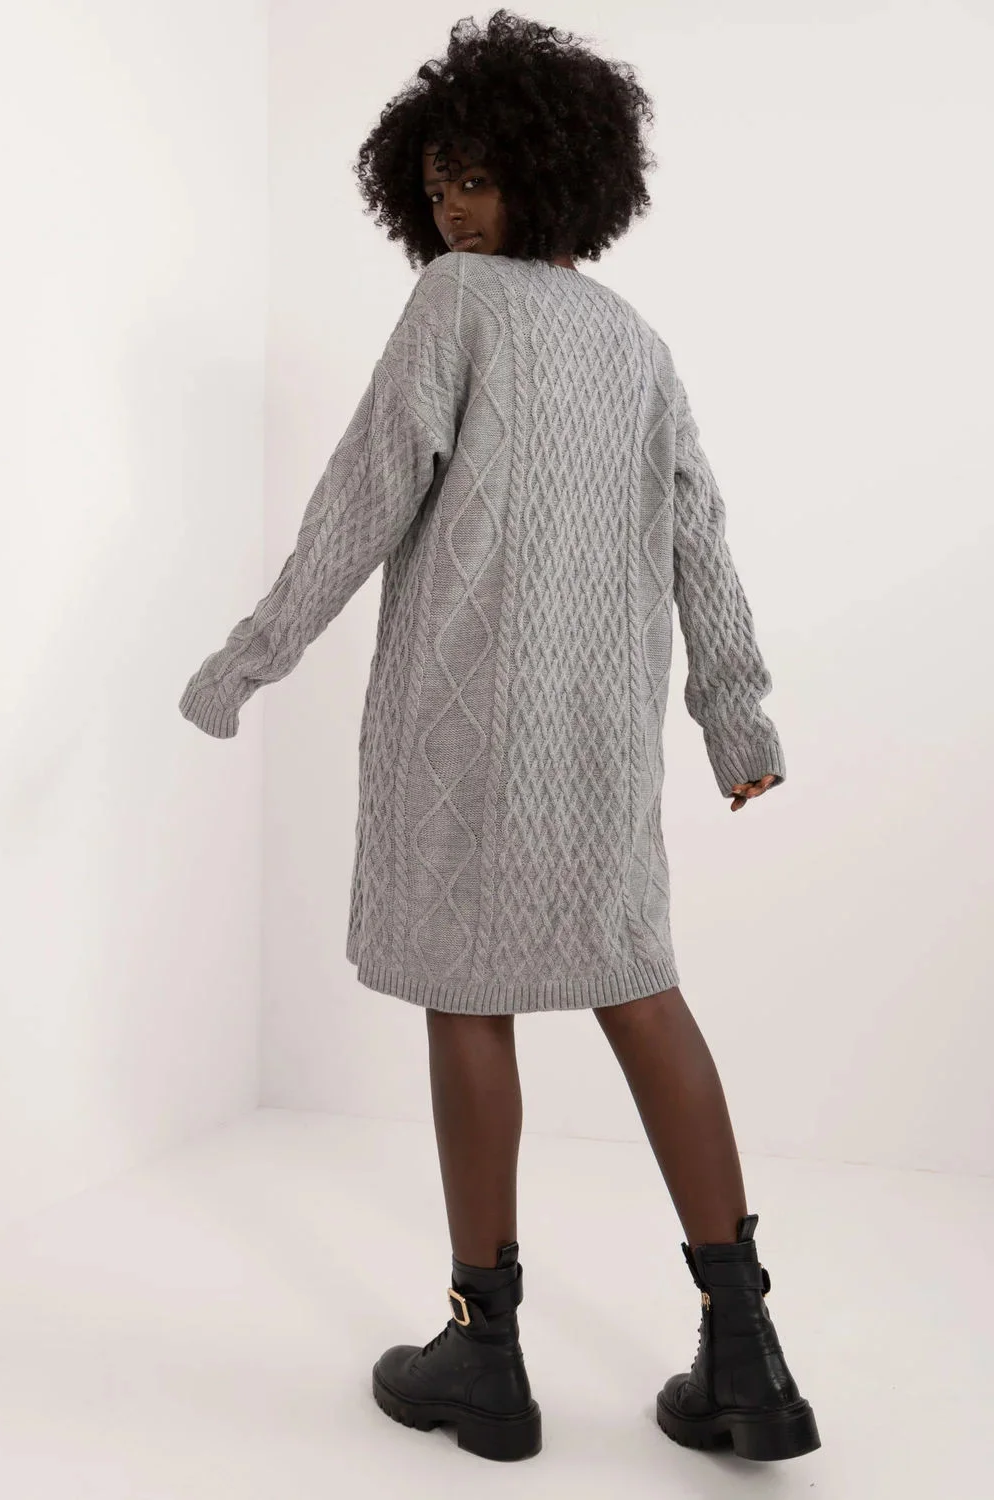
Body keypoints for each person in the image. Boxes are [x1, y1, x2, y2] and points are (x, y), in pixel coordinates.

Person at [180, 8, 819, 1468]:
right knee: (639, 988)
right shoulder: (637, 343)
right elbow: (700, 538)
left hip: (466, 726)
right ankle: (747, 1356)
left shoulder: (455, 305)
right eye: (439, 184)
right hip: (601, 734)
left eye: (477, 177)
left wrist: (250, 658)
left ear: (548, 171)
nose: (455, 208)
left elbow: (363, 496)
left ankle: (486, 1352)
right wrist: (733, 715)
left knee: (469, 1000)